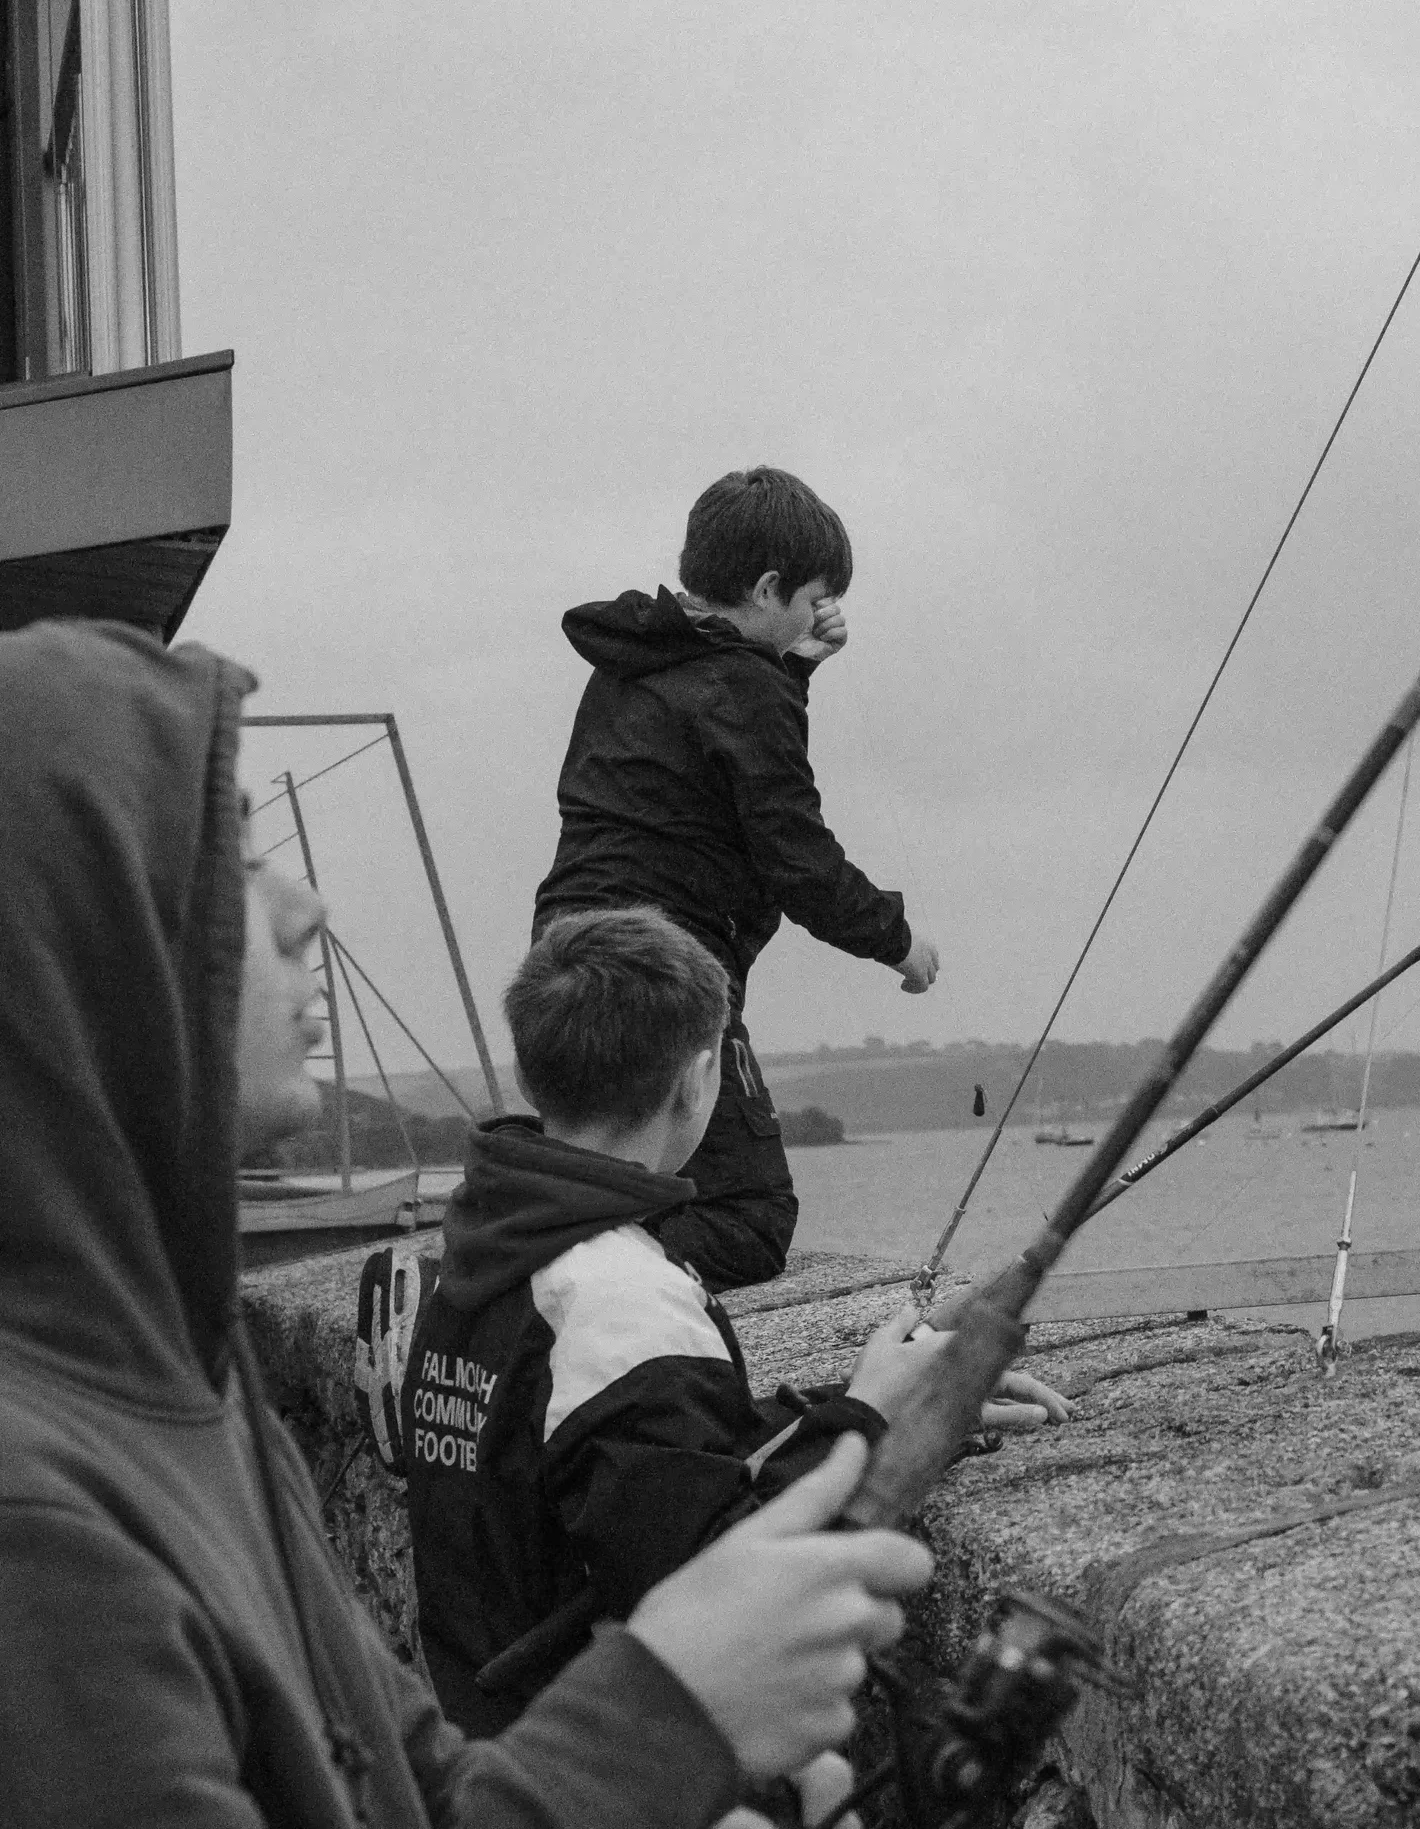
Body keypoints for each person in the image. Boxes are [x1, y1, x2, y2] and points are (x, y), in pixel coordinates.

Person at [0, 621, 927, 1826]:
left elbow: (414, 1790)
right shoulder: (38, 1533)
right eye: (225, 849)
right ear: (71, 935)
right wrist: (666, 1719)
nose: (305, 907)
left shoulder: (193, 1375)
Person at [405, 907, 1066, 1732]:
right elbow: (717, 1578)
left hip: (498, 1733)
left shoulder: (486, 1252)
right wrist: (861, 1422)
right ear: (697, 1076)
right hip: (608, 1765)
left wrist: (902, 1406)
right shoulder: (617, 1297)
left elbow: (646, 1462)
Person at [535, 466, 938, 1291]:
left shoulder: (629, 659)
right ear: (765, 586)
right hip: (664, 977)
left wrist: (792, 665)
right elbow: (796, 857)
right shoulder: (745, 685)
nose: (820, 614)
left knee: (608, 1182)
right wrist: (900, 942)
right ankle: (564, 1290)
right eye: (812, 596)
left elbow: (715, 738)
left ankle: (532, 1265)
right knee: (749, 1217)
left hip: (564, 962)